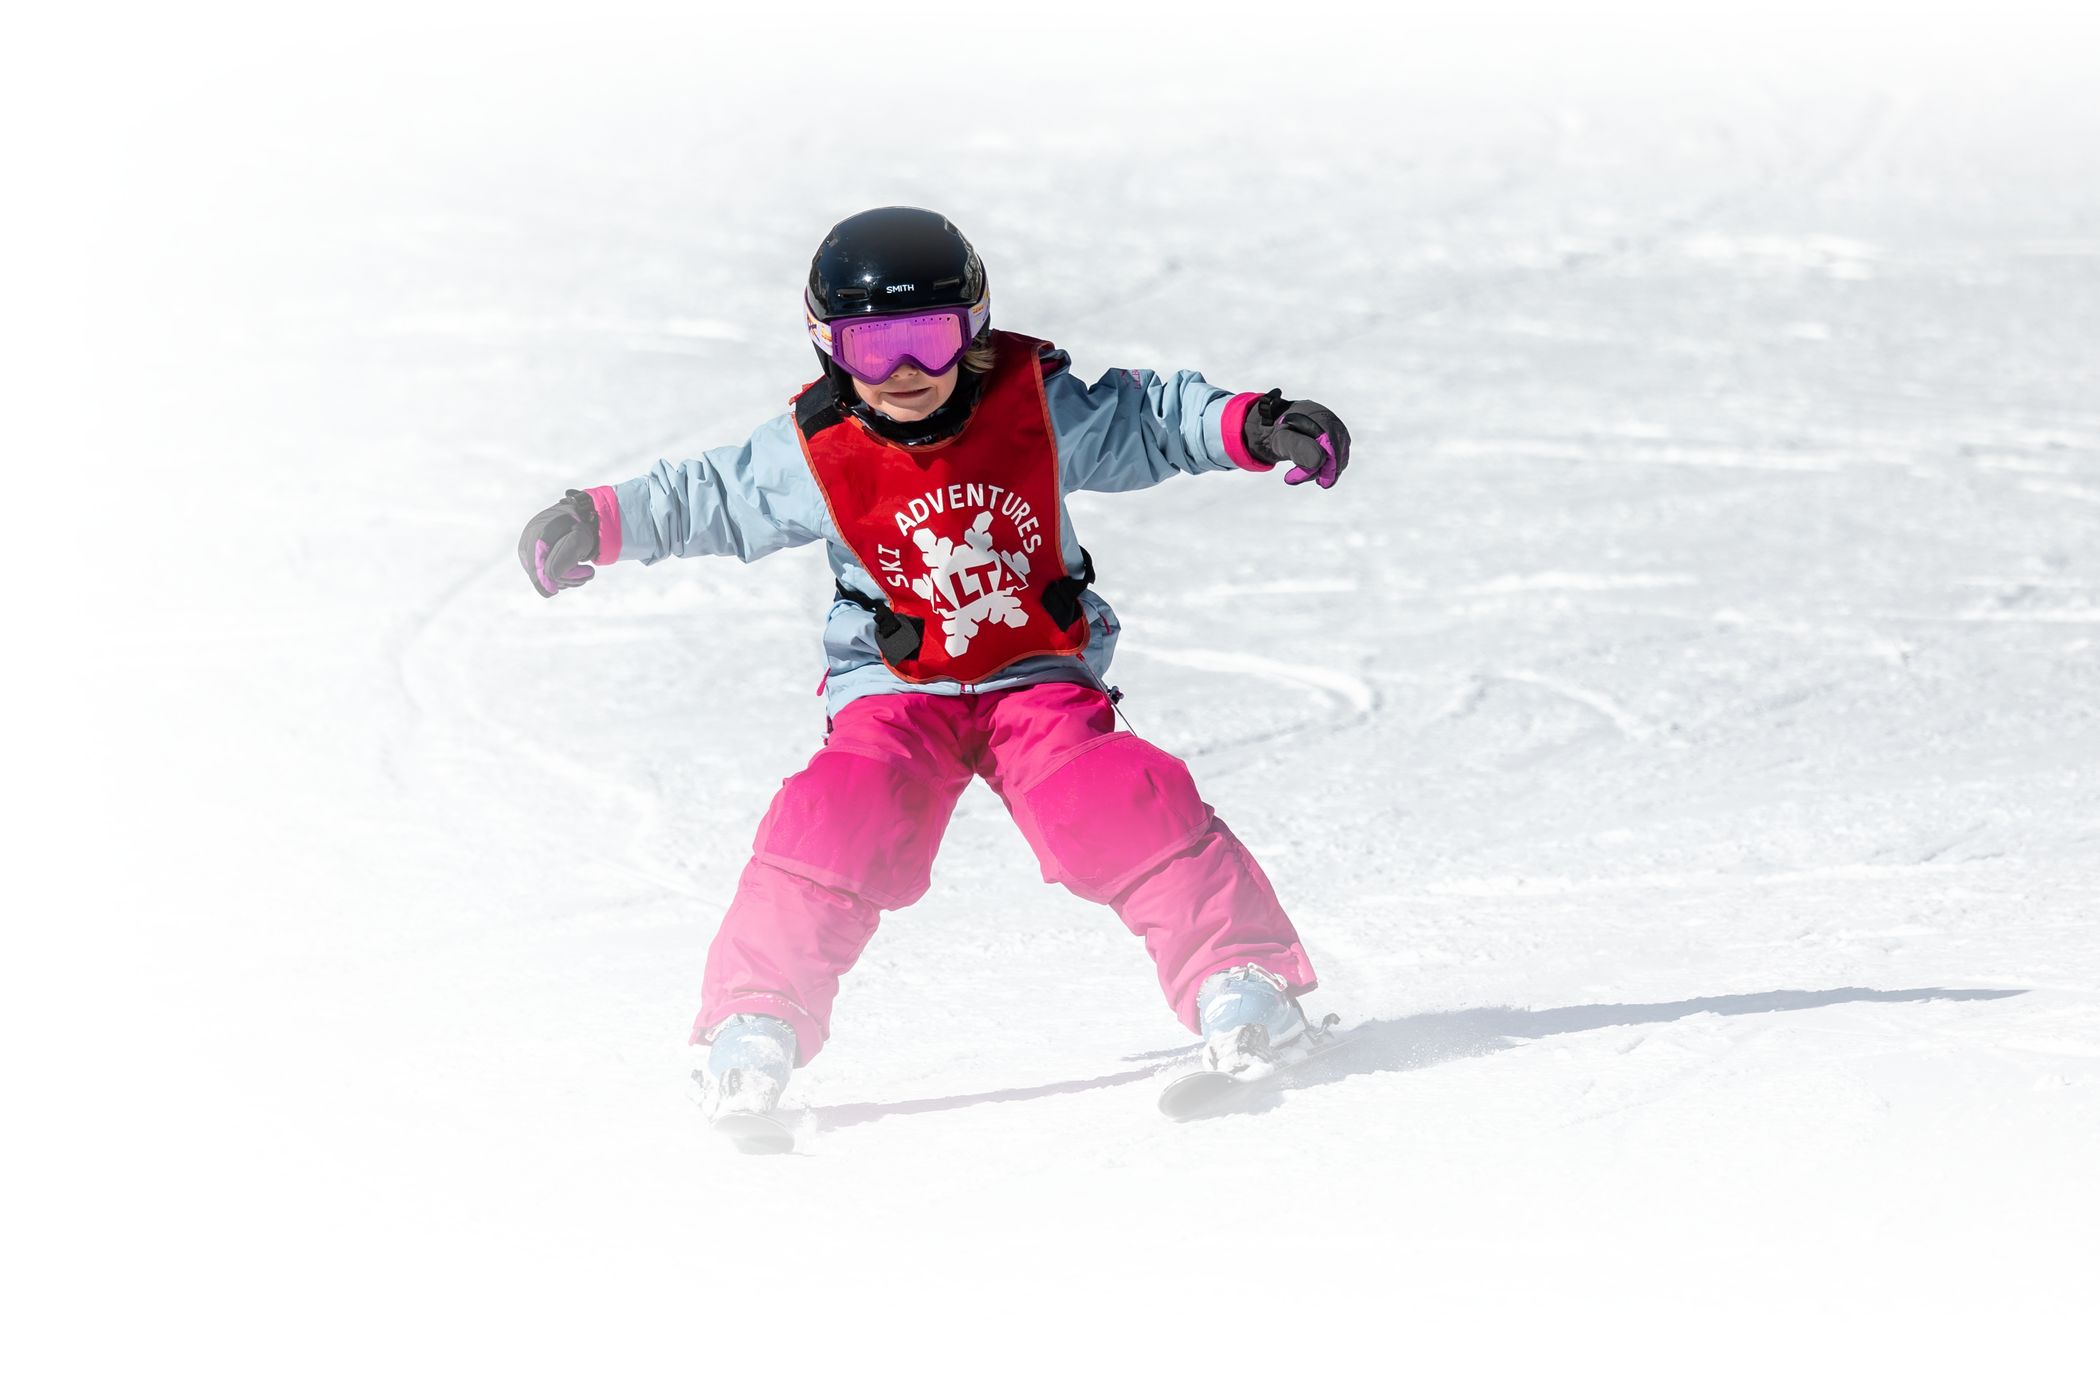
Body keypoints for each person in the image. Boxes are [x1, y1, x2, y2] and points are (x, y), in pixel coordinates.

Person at [518, 206, 1353, 1129]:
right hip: (895, 688)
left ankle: (1241, 983)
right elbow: (708, 495)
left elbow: (1151, 420)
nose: (905, 372)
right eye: (874, 349)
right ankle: (753, 1022)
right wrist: (596, 519)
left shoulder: (1033, 409)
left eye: (929, 339)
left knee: (1113, 798)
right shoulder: (817, 450)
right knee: (840, 815)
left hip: (1032, 668)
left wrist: (1256, 425)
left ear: (975, 329)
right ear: (829, 347)